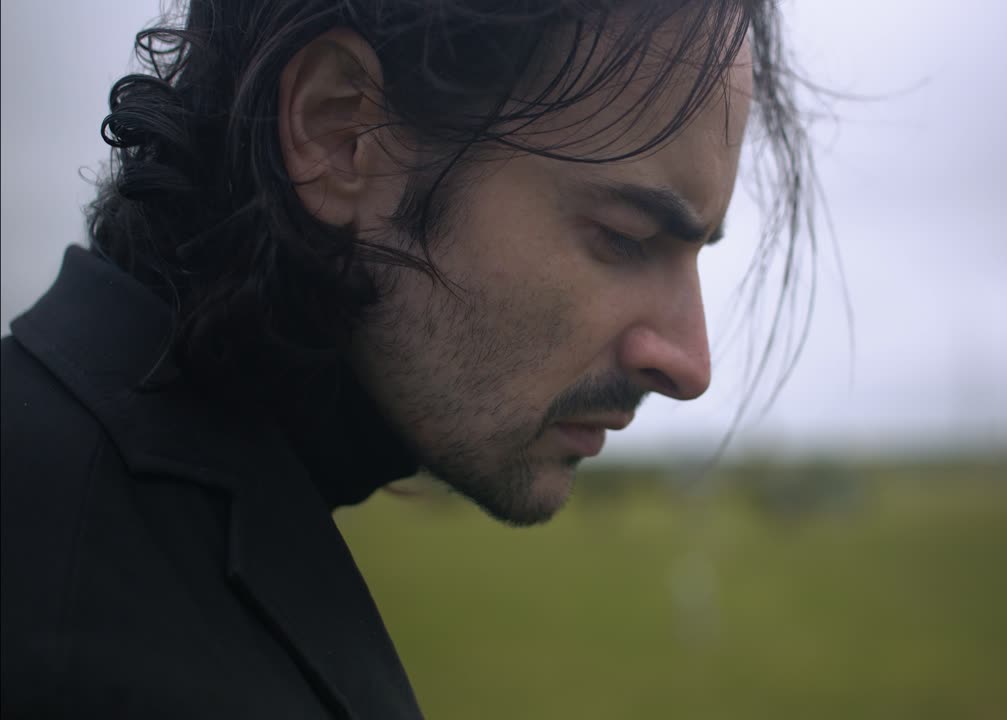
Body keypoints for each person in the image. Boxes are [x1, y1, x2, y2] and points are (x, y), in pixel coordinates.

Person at [1, 0, 816, 716]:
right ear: (341, 129)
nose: (690, 363)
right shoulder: (79, 646)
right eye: (627, 237)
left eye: (698, 251)